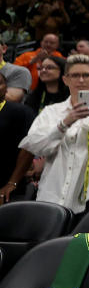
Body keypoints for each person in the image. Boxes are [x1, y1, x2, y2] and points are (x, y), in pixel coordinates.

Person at [18, 55, 89, 215]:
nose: (81, 80)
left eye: (86, 75)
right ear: (65, 79)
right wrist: (63, 124)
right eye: (75, 75)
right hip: (54, 194)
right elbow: (34, 146)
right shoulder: (51, 112)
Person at [0, 68, 37, 204]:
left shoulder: (21, 112)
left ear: (6, 89)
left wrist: (12, 183)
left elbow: (27, 149)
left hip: (8, 183)